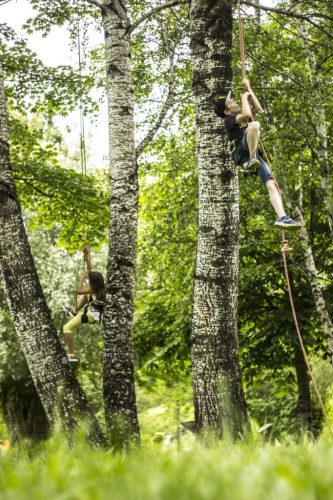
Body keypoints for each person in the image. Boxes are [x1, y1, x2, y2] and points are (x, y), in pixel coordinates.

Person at [215, 78, 301, 231]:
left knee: (272, 184)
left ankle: (282, 217)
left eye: (235, 100)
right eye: (232, 102)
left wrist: (249, 90)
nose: (235, 102)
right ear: (227, 111)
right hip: (243, 153)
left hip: (251, 153)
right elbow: (248, 115)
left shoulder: (238, 115)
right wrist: (243, 97)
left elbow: (257, 108)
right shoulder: (229, 120)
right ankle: (252, 160)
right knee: (254, 125)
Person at [63, 270, 105, 363]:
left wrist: (82, 277)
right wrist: (87, 256)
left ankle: (71, 355)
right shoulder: (101, 289)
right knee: (86, 296)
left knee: (66, 328)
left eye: (90, 281)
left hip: (89, 315)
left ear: (93, 282)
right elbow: (91, 270)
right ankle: (74, 311)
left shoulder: (93, 290)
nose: (89, 282)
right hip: (94, 315)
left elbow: (79, 291)